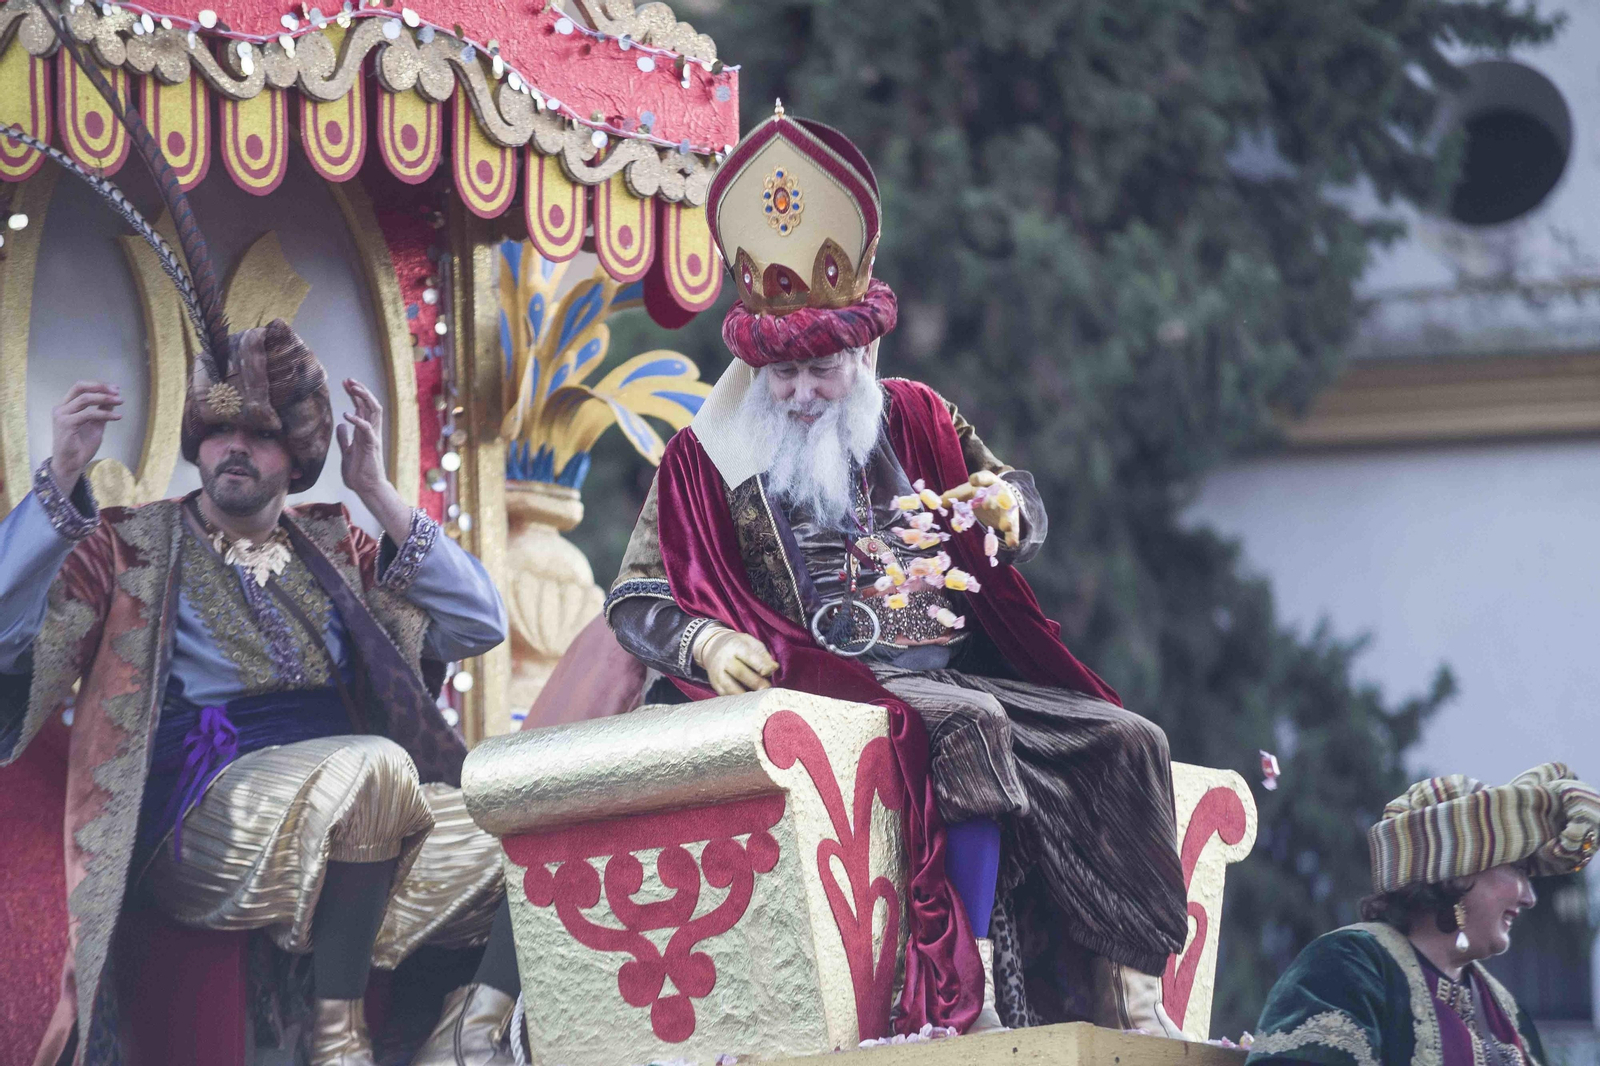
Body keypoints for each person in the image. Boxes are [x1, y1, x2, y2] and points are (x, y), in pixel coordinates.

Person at [602, 103, 1191, 1036]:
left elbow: (1010, 499)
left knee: (1130, 738)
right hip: (818, 684)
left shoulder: (919, 415)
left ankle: (1131, 1002)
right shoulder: (704, 458)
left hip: (943, 671)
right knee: (971, 724)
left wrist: (1008, 511)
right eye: (783, 375)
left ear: (864, 349)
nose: (801, 394)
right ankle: (973, 992)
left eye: (823, 369)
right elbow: (637, 598)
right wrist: (707, 643)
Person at [0, 322, 520, 1065]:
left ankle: (468, 1038)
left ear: (301, 453)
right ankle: (339, 1044)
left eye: (262, 433)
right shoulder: (126, 544)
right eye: (218, 430)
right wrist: (60, 478)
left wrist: (375, 492)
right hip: (195, 815)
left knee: (520, 827)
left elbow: (479, 623)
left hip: (355, 815)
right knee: (372, 767)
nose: (234, 447)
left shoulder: (339, 545)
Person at [1247, 762, 1600, 1066]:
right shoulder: (1348, 968)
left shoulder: (1511, 1015)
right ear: (1458, 870)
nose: (1528, 897)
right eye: (1518, 869)